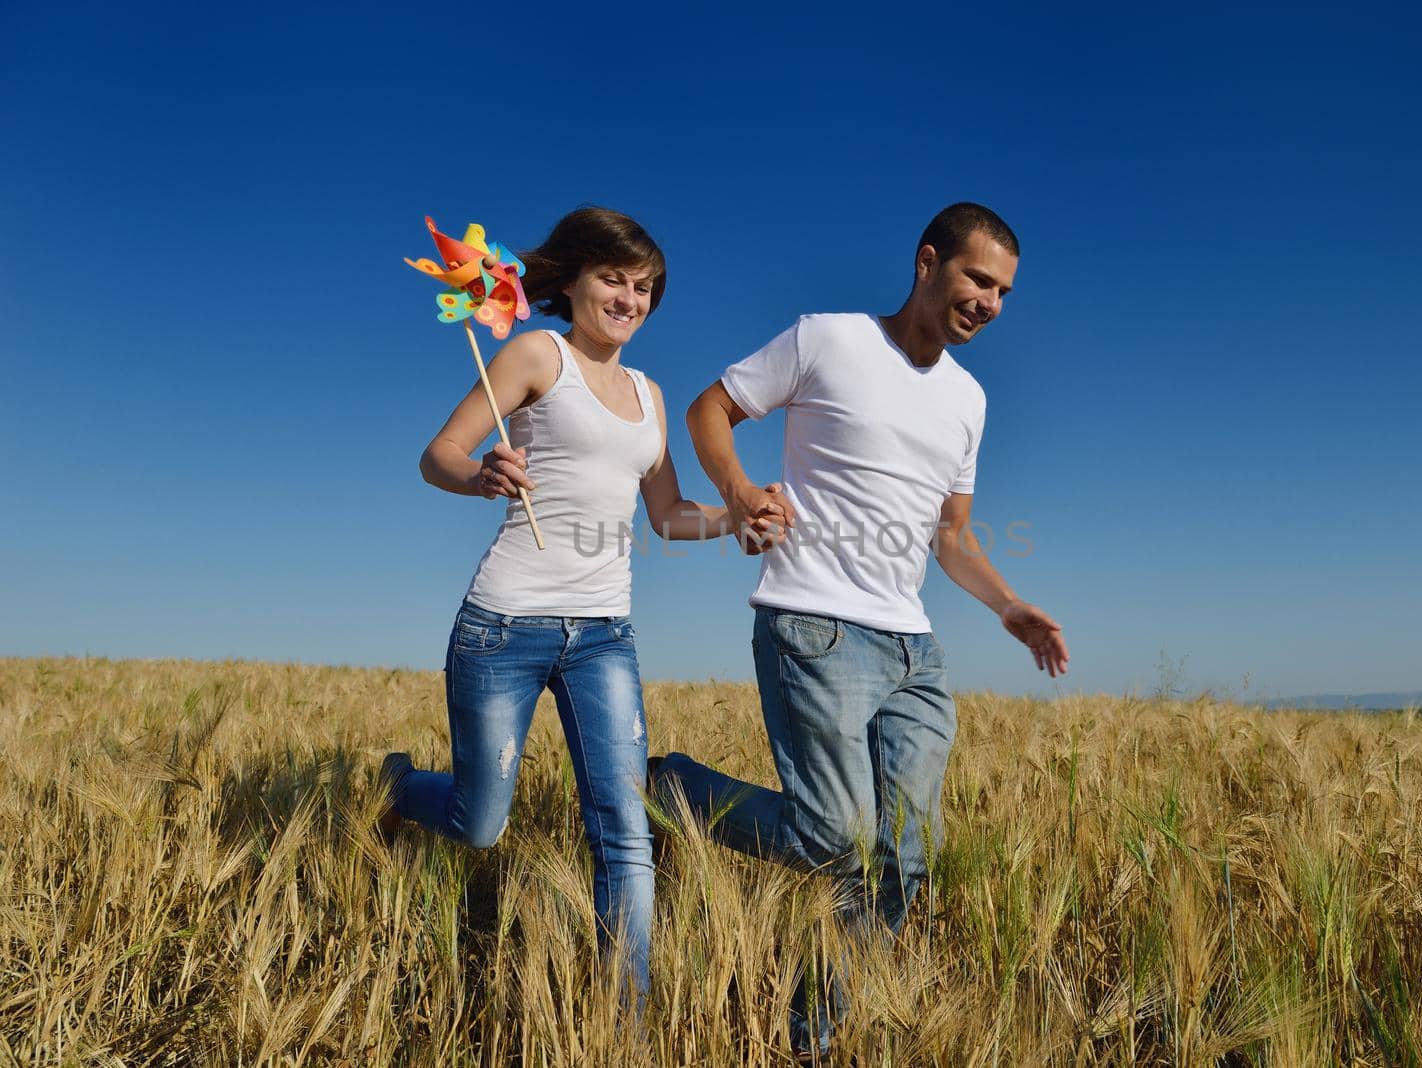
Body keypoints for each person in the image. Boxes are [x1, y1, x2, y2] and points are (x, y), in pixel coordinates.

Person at [654, 202, 1070, 1057]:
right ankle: (672, 787)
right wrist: (739, 494)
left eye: (1003, 292)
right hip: (814, 627)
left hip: (913, 648)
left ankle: (815, 1035)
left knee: (908, 857)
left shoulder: (969, 400)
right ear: (927, 263)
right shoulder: (828, 340)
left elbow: (948, 535)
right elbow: (709, 411)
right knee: (832, 839)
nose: (989, 301)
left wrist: (1007, 605)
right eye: (976, 278)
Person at [378, 206, 775, 1002]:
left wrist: (740, 515)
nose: (629, 298)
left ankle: (618, 1025)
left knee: (624, 832)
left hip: (604, 636)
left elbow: (666, 515)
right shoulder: (535, 353)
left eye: (644, 287)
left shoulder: (651, 395)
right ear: (575, 282)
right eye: (614, 280)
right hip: (503, 626)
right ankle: (400, 788)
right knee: (480, 822)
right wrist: (480, 474)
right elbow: (438, 455)